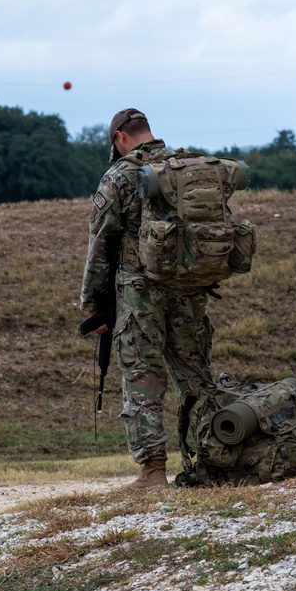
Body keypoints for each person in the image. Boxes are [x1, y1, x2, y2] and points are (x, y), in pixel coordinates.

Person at [81, 108, 216, 489]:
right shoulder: (186, 165)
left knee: (143, 380)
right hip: (189, 291)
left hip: (140, 295)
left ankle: (154, 472)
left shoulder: (120, 175)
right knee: (197, 377)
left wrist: (93, 304)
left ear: (120, 138)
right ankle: (217, 458)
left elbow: (100, 244)